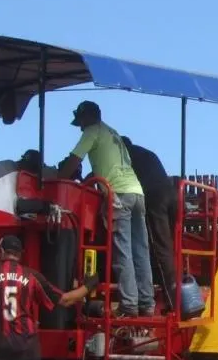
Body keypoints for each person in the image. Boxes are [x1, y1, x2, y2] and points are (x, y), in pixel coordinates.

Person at [56, 100, 155, 317]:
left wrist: (57, 180)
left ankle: (129, 305)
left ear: (85, 117)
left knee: (123, 251)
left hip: (118, 193)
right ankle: (147, 303)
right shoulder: (113, 133)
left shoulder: (92, 131)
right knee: (141, 250)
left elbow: (74, 160)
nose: (80, 127)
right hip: (137, 192)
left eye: (80, 122)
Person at [121, 135, 179, 312]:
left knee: (159, 248)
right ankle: (173, 292)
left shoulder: (127, 157)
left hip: (155, 198)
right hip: (171, 194)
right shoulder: (145, 152)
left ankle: (172, 301)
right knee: (168, 246)